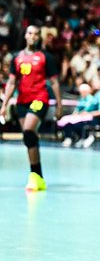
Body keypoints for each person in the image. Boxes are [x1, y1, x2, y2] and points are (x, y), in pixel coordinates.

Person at [0, 25, 62, 191]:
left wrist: (59, 104)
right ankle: (37, 177)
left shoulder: (45, 57)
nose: (33, 36)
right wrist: (4, 104)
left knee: (28, 129)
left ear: (38, 37)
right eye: (30, 33)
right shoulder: (17, 58)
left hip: (39, 99)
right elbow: (12, 82)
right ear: (25, 36)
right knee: (30, 139)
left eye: (36, 34)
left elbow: (54, 82)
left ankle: (34, 177)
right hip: (22, 101)